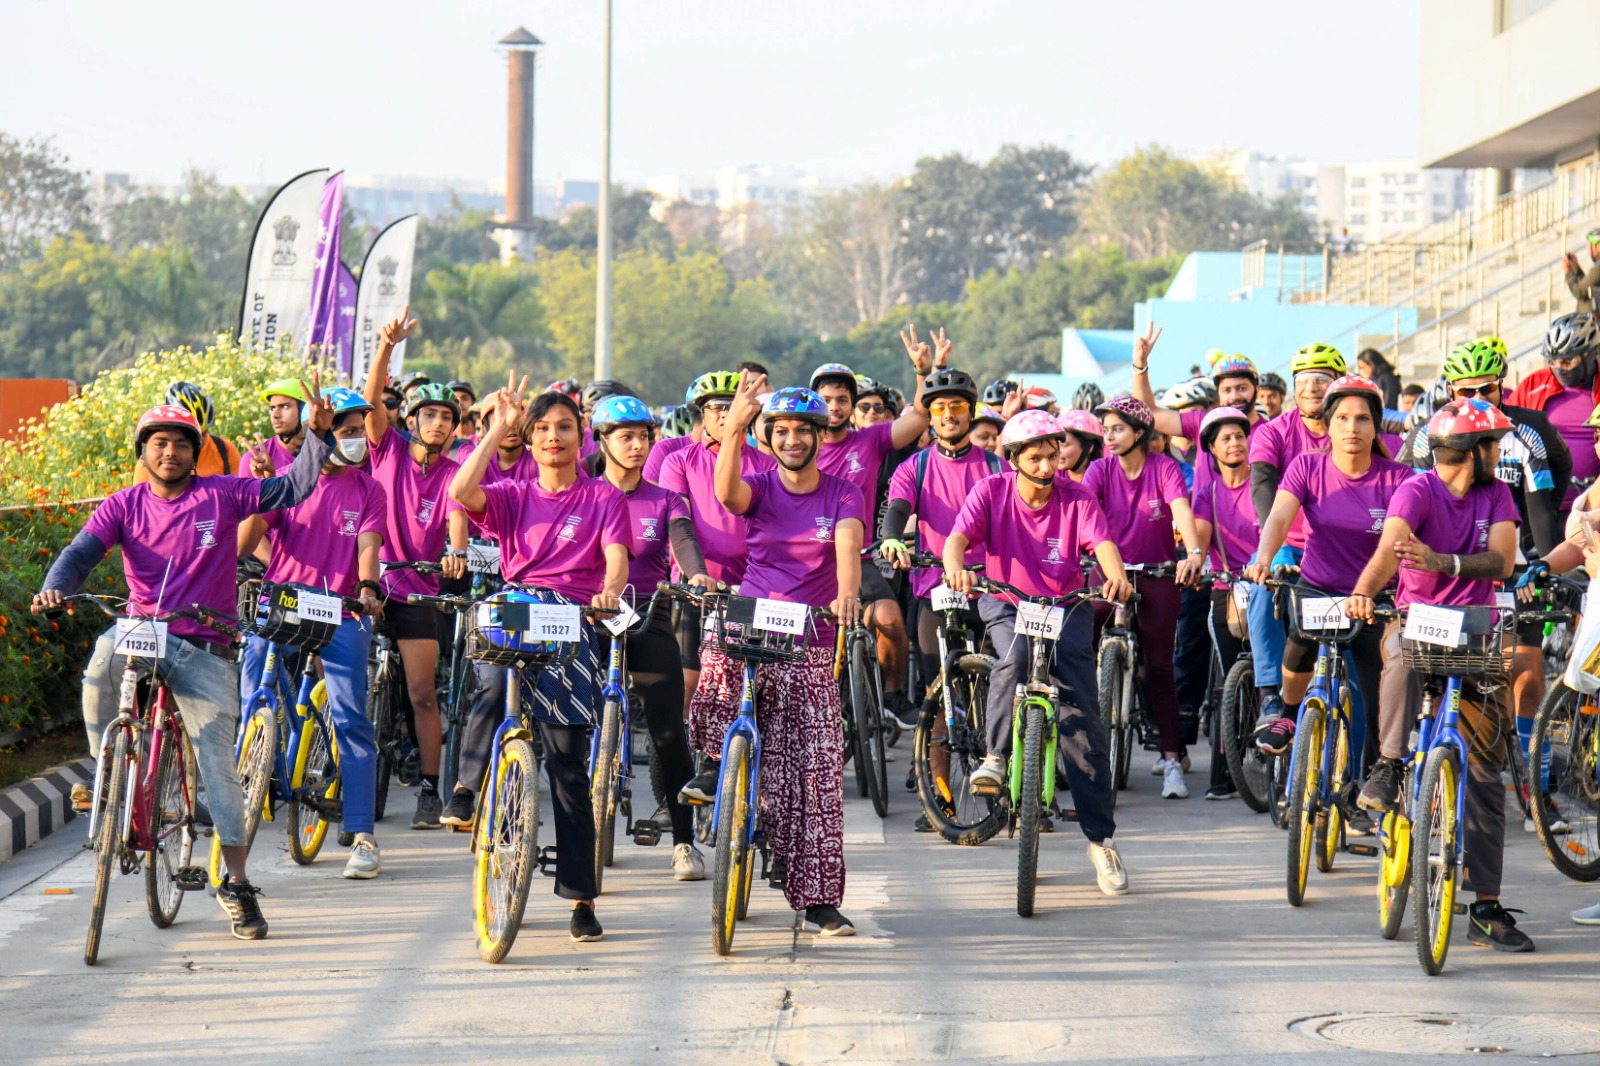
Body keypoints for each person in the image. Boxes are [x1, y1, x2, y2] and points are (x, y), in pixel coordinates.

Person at [37, 386, 337, 940]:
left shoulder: (222, 494)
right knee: (101, 662)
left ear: (193, 451)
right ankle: (106, 777)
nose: (169, 452)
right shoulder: (123, 504)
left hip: (206, 640)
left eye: (179, 444)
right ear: (142, 452)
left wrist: (316, 437)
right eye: (158, 443)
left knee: (219, 767)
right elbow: (81, 552)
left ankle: (238, 884)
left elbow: (291, 488)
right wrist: (55, 586)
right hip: (143, 629)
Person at [1344, 399, 1530, 952]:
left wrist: (1443, 562)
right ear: (1473, 453)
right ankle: (1387, 763)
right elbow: (1386, 551)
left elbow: (1502, 560)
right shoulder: (1417, 490)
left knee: (1486, 774)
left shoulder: (1495, 494)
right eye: (1492, 444)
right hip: (1418, 624)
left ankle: (1487, 906)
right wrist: (1361, 592)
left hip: (1475, 632)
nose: (1498, 453)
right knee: (1397, 650)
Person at [449, 378, 630, 943]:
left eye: (565, 428)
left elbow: (617, 561)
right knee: (492, 674)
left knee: (568, 767)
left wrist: (608, 592)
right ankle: (468, 787)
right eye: (542, 429)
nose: (554, 437)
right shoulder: (509, 493)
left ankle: (581, 897)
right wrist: (497, 428)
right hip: (519, 603)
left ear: (584, 438)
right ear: (529, 440)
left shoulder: (604, 497)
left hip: (573, 618)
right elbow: (460, 491)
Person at [690, 376, 865, 936]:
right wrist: (737, 426)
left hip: (810, 634)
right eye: (781, 430)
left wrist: (847, 594)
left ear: (820, 436)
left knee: (813, 773)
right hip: (754, 618)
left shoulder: (843, 492)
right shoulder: (759, 484)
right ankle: (715, 763)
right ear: (770, 437)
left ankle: (816, 900)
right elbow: (726, 496)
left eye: (802, 431)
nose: (792, 439)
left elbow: (847, 549)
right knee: (717, 653)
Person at [943, 410, 1135, 896]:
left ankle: (1101, 840)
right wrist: (956, 569)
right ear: (1013, 460)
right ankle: (994, 756)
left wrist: (1116, 576)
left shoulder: (1078, 496)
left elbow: (1103, 543)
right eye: (1036, 456)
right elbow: (957, 541)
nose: (1049, 465)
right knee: (1017, 656)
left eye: (1055, 454)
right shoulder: (991, 491)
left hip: (1065, 605)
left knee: (1083, 717)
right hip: (1006, 599)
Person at [1413, 339, 1572, 822]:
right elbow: (1413, 502)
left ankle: (1535, 793)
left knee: (1525, 671)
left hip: (1513, 567)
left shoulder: (1530, 432)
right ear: (1449, 391)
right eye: (1467, 391)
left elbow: (1545, 510)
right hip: (1448, 571)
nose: (1480, 398)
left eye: (1489, 389)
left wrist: (1543, 568)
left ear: (1503, 385)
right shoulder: (1428, 434)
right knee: (1439, 680)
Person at [236, 387, 387, 880]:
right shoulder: (286, 482)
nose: (355, 439)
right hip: (281, 605)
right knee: (254, 679)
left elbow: (368, 549)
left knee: (351, 720)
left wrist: (367, 588)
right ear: (320, 433)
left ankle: (363, 834)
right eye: (343, 430)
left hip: (341, 611)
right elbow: (243, 542)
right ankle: (254, 768)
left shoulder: (369, 489)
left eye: (357, 430)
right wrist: (255, 500)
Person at [1245, 376, 1412, 813]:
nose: (1351, 427)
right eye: (1341, 418)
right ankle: (1285, 710)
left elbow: (1395, 544)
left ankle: (1372, 783)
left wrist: (1373, 594)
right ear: (1328, 423)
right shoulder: (1306, 465)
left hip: (1373, 601)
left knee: (1378, 699)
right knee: (1298, 644)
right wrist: (1265, 556)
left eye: (1361, 418)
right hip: (1318, 587)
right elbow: (1279, 516)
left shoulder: (1399, 478)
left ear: (1376, 426)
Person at [360, 308, 469, 829]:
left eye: (447, 417)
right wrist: (385, 347)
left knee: (424, 694)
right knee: (340, 688)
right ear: (411, 421)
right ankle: (335, 775)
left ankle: (430, 788)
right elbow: (368, 403)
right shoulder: (388, 452)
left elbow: (457, 516)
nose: (439, 423)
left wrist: (456, 551)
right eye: (429, 415)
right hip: (366, 584)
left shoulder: (454, 473)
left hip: (418, 589)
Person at [591, 393, 706, 879]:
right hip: (590, 615)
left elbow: (682, 538)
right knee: (571, 728)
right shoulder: (584, 493)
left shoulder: (665, 498)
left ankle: (684, 843)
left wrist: (696, 574)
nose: (637, 446)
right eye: (625, 437)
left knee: (666, 730)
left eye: (643, 437)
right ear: (602, 441)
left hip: (648, 613)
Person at [879, 369, 1000, 826]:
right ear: (929, 416)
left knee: (998, 687)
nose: (948, 416)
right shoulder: (918, 465)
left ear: (971, 413)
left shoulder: (995, 465)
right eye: (939, 408)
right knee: (939, 694)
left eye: (957, 407)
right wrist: (892, 539)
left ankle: (1009, 780)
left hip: (990, 590)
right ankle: (941, 797)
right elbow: (897, 510)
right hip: (935, 589)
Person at [808, 335, 939, 730]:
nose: (834, 408)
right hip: (808, 562)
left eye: (842, 400)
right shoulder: (796, 444)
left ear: (852, 406)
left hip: (862, 560)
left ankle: (892, 698)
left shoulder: (870, 440)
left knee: (891, 621)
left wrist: (922, 372)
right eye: (826, 400)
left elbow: (918, 418)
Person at [1084, 395, 1206, 798]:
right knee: (1080, 648)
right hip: (1109, 576)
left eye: (1118, 428)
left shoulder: (1165, 468)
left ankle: (1172, 760)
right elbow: (1082, 516)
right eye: (1106, 430)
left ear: (1139, 432)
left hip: (1157, 574)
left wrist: (1193, 553)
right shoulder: (1099, 470)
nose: (1110, 436)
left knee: (1160, 670)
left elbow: (1182, 511)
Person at [1244, 344, 1346, 733]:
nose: (1311, 388)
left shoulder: (1351, 429)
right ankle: (1271, 692)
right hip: (1289, 541)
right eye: (1303, 381)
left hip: (1339, 548)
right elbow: (1264, 491)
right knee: (1261, 589)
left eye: (1321, 380)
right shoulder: (1274, 432)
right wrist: (1270, 554)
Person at [658, 370, 771, 716]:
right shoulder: (679, 461)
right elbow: (681, 526)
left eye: (733, 406)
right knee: (691, 684)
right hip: (700, 588)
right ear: (701, 413)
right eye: (717, 407)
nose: (725, 414)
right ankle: (690, 765)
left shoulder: (766, 464)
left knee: (756, 687)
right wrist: (697, 574)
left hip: (752, 588)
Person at [1191, 406, 1258, 800]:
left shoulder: (1267, 484)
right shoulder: (1208, 493)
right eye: (1225, 438)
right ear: (1211, 449)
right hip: (1227, 589)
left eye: (1239, 436)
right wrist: (1194, 560)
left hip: (1269, 587)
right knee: (1226, 677)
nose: (1234, 443)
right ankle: (1224, 773)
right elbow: (1199, 539)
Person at [1508, 314, 1600, 508]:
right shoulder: (1532, 385)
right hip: (1541, 505)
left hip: (1593, 510)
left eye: (1567, 362)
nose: (1559, 368)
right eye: (1553, 361)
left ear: (1591, 353)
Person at [133, 382, 243, 482]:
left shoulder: (225, 450)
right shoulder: (151, 459)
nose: (199, 440)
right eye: (190, 435)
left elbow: (240, 496)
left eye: (204, 433)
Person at [247, 378, 311, 476]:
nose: (275, 415)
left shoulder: (326, 454)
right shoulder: (255, 461)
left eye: (285, 406)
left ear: (306, 410)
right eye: (272, 408)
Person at [1056, 409, 1104, 482]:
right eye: (1055, 444)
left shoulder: (1106, 480)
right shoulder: (1052, 478)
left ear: (1089, 447)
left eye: (1064, 444)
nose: (1056, 451)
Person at [1562, 230, 1600, 314]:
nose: (1589, 251)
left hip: (1592, 322)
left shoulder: (1597, 269)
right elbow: (1587, 287)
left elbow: (1579, 291)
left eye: (1591, 246)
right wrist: (1576, 268)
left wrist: (1569, 272)